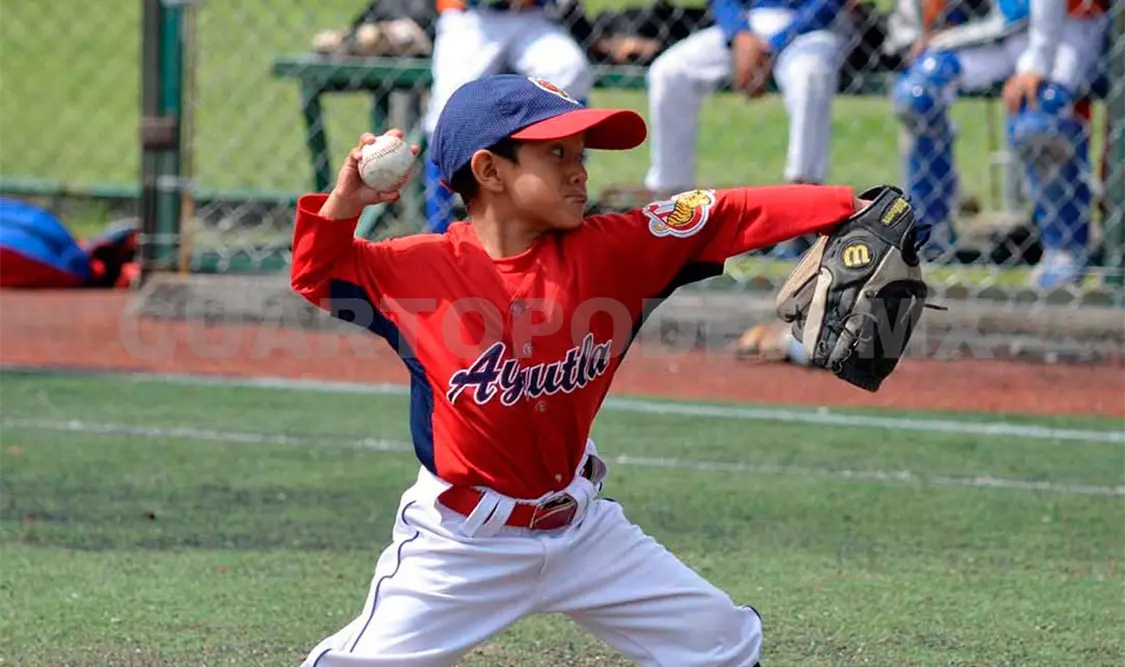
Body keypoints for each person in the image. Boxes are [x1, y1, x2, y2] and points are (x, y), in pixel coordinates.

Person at [290, 73, 870, 666]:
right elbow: (319, 273)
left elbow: (728, 212)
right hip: (461, 546)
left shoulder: (616, 249)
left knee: (721, 642)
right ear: (490, 171)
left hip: (583, 531)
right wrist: (344, 205)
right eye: (556, 153)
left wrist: (850, 204)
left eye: (580, 154)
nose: (579, 170)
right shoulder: (414, 272)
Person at [891, 0, 1109, 288]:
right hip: (1002, 25)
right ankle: (929, 232)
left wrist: (1037, 64)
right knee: (918, 93)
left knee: (1040, 117)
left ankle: (1066, 248)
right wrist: (948, 23)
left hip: (1072, 26)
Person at [643, 0, 854, 258]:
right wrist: (740, 34)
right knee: (669, 72)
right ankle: (674, 206)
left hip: (814, 28)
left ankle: (804, 212)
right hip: (748, 23)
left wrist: (774, 44)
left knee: (809, 76)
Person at [420, 0, 595, 234]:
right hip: (471, 17)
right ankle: (439, 228)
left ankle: (563, 204)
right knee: (447, 106)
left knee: (570, 71)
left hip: (531, 16)